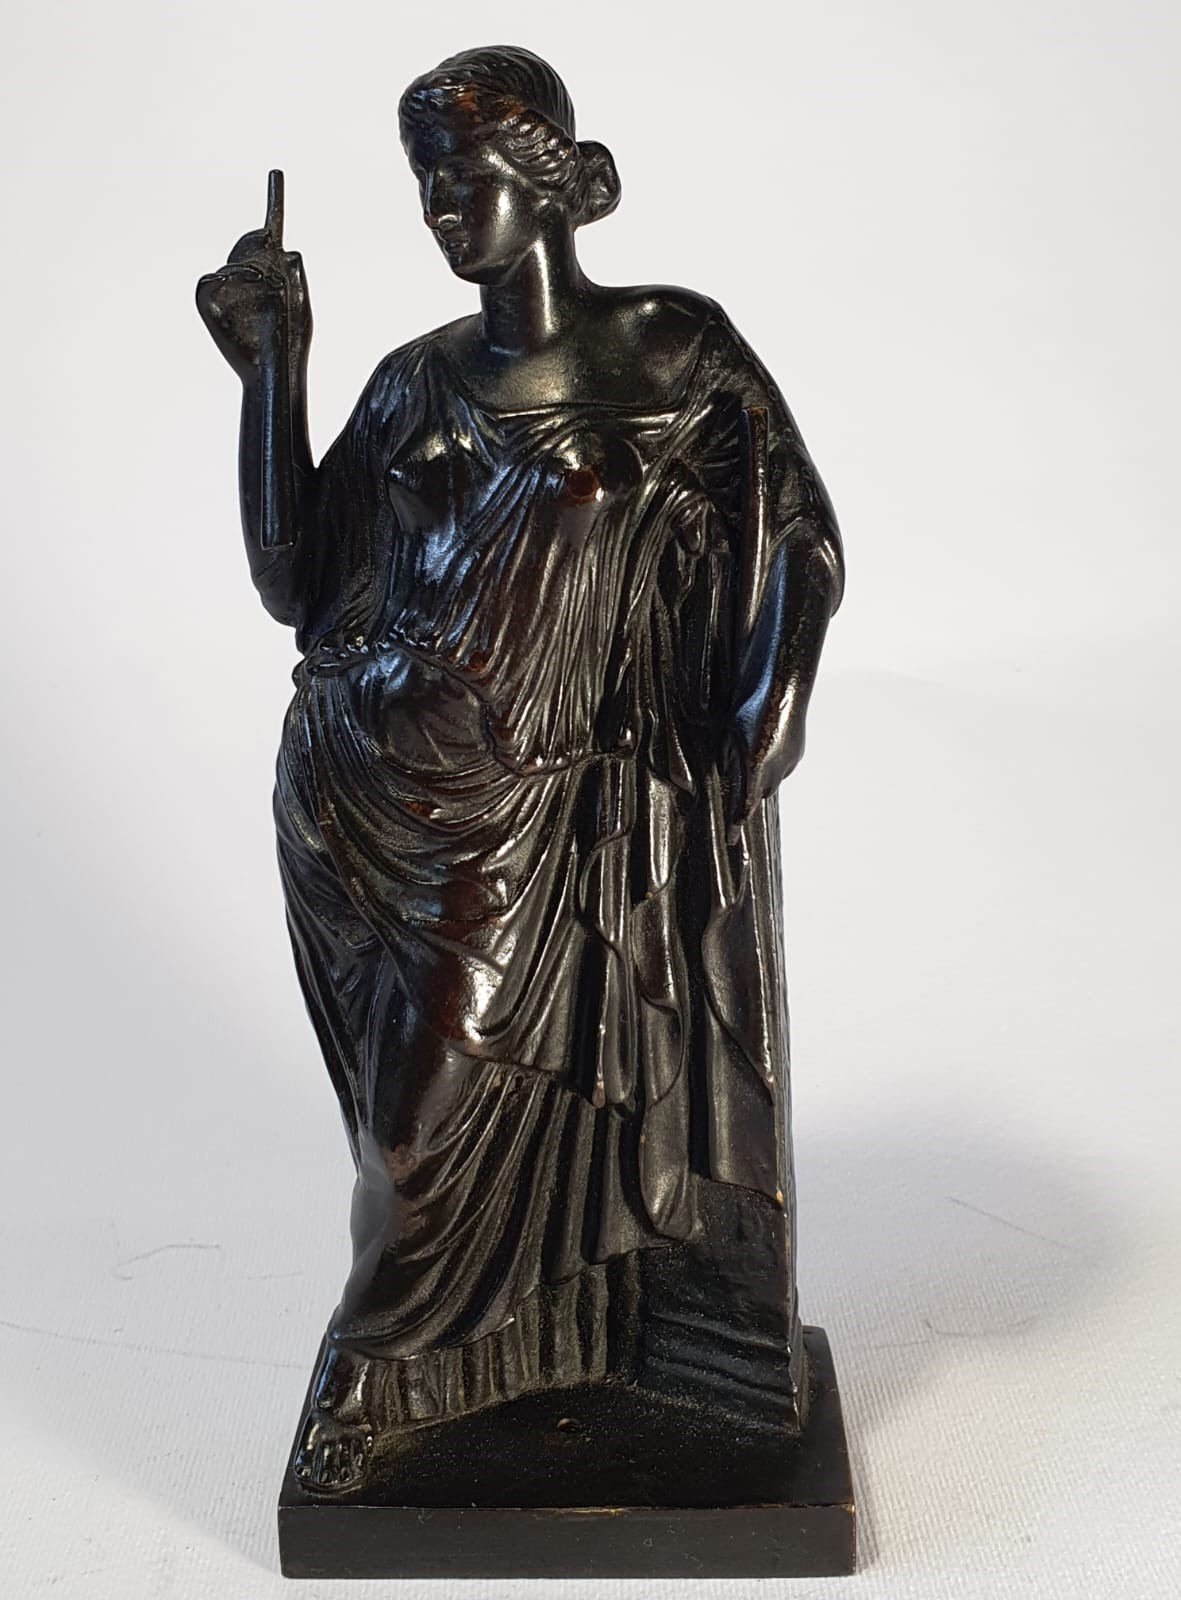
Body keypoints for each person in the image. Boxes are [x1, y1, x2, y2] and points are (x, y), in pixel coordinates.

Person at [197, 45, 843, 1493]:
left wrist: (773, 697)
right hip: (362, 788)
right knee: (393, 1132)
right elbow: (298, 581)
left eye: (465, 179)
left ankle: (388, 1376)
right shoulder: (412, 381)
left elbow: (797, 535)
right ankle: (441, 1371)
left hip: (546, 809)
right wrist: (272, 370)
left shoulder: (673, 349)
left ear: (550, 182)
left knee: (420, 1133)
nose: (442, 209)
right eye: (425, 185)